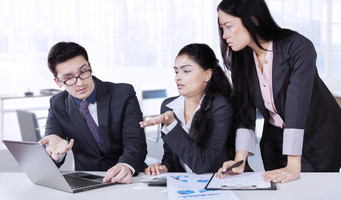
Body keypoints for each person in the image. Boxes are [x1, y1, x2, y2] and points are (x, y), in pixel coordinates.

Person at [216, 0, 341, 183]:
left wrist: (293, 164)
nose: (224, 35)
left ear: (253, 21)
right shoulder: (243, 60)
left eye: (228, 26)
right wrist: (239, 160)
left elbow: (296, 107)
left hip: (314, 137)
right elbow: (244, 113)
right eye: (222, 27)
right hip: (274, 141)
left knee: (314, 191)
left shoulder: (298, 47)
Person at [39, 42, 147, 184]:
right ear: (58, 82)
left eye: (83, 72)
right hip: (87, 181)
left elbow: (135, 141)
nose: (80, 83)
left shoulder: (123, 94)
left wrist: (127, 165)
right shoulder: (57, 104)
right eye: (69, 78)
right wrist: (56, 154)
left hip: (128, 178)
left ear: (90, 66)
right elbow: (52, 150)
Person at [140, 43, 234, 175]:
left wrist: (172, 125)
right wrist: (165, 167)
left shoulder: (221, 106)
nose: (178, 77)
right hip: (184, 187)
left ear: (207, 75)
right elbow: (171, 157)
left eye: (186, 71)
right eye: (176, 71)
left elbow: (202, 165)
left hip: (215, 184)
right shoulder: (168, 106)